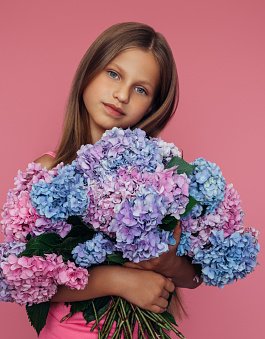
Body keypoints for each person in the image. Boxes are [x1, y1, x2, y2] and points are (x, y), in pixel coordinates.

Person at [34, 22, 201, 338]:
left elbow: (192, 276)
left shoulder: (165, 171)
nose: (121, 95)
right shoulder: (49, 170)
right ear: (89, 71)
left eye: (141, 89)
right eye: (113, 73)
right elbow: (25, 278)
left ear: (153, 105)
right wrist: (119, 281)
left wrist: (166, 263)